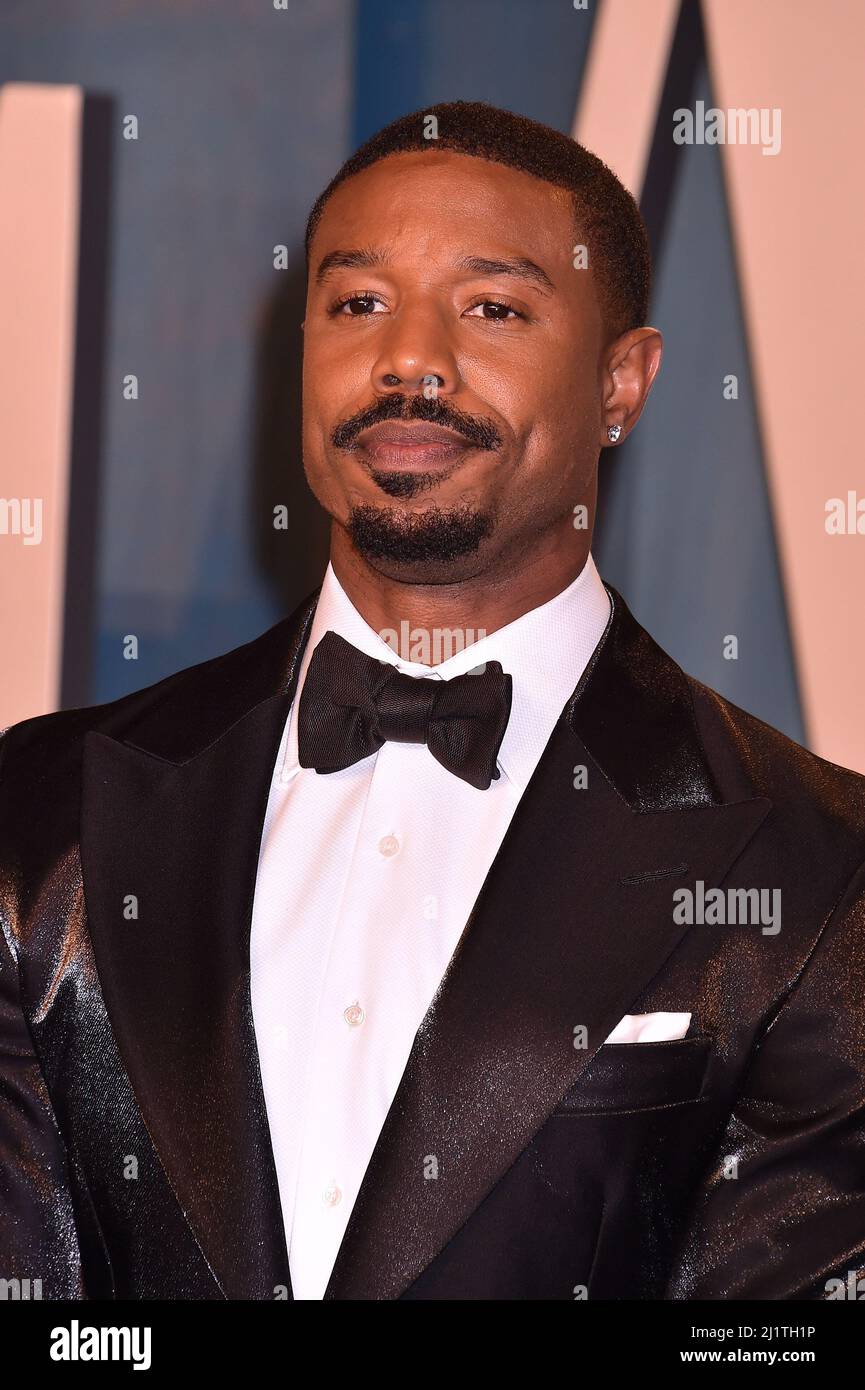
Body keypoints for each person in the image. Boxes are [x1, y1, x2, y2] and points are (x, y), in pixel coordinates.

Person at [2, 101, 864, 1301]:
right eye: (358, 304)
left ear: (623, 382)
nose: (410, 362)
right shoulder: (47, 817)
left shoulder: (822, 869)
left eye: (492, 308)